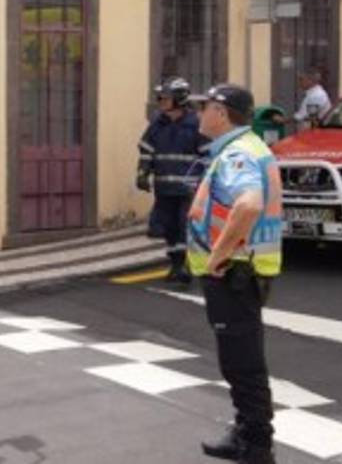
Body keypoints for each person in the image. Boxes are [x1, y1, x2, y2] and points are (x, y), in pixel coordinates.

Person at [189, 84, 283, 464]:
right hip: (245, 270)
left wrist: (218, 256)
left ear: (222, 114)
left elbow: (248, 205)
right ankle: (247, 432)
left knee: (242, 364)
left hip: (234, 272)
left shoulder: (238, 155)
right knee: (243, 360)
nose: (200, 115)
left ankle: (256, 445)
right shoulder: (250, 148)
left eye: (205, 108)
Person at [136, 77, 210, 286]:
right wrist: (142, 173)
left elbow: (207, 157)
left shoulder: (196, 124)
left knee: (184, 226)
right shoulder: (157, 123)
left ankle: (185, 266)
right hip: (164, 188)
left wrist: (203, 184)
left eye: (165, 98)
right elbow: (146, 150)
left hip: (188, 189)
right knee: (168, 228)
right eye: (160, 98)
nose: (161, 101)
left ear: (179, 99)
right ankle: (176, 265)